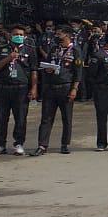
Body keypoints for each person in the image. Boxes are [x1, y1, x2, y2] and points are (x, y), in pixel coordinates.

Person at [0, 26, 37, 156]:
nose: (19, 36)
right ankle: (0, 145)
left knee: (20, 118)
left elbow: (33, 70)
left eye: (21, 34)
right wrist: (8, 58)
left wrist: (34, 87)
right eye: (16, 34)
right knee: (2, 118)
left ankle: (18, 144)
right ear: (10, 35)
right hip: (2, 87)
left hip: (21, 88)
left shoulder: (29, 49)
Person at [34, 26, 83, 156]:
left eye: (59, 34)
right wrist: (47, 69)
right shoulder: (54, 48)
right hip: (51, 87)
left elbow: (78, 72)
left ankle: (65, 144)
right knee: (46, 118)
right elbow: (47, 62)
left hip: (66, 87)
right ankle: (42, 145)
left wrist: (74, 88)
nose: (56, 36)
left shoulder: (76, 50)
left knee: (66, 118)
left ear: (67, 35)